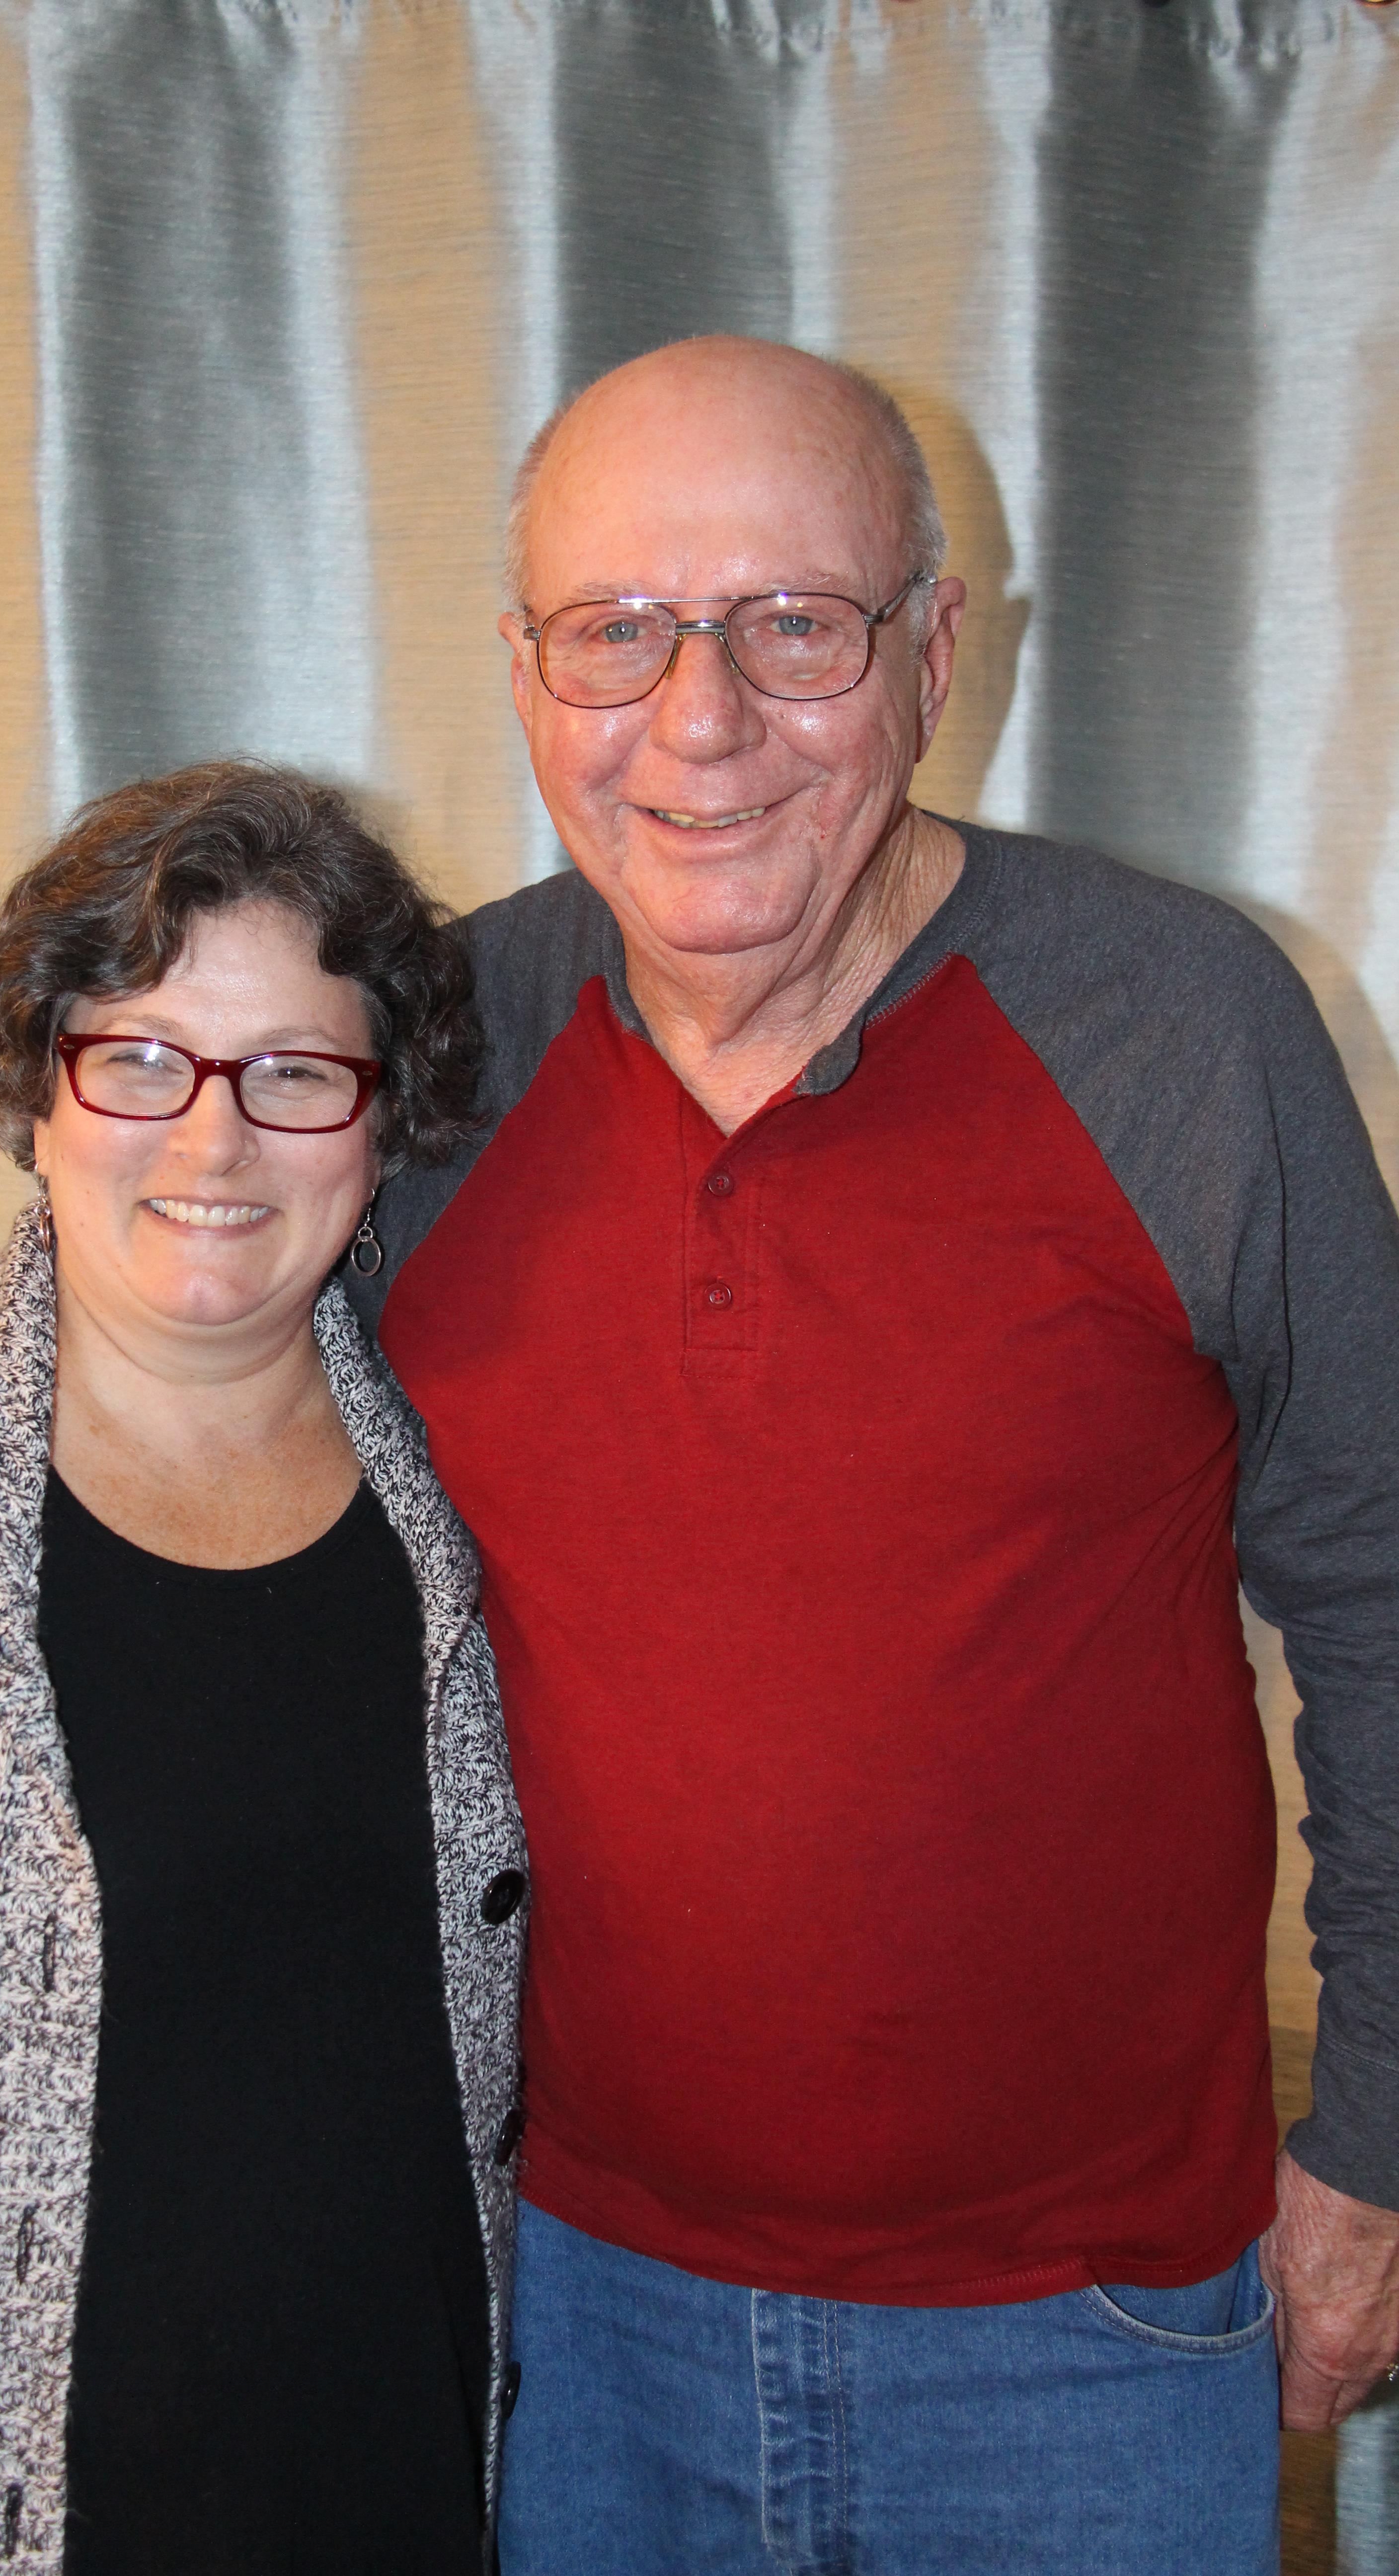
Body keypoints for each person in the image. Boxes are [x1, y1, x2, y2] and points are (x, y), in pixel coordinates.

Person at [345, 337, 1399, 2575]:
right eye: (616, 630)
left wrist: (1384, 2142)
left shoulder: (1184, 1025)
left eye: (792, 627)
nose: (699, 721)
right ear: (527, 676)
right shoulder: (429, 1057)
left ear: (932, 657)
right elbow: (162, 1418)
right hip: (564, 2312)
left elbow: (1391, 1591)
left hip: (1095, 2333)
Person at [0, 761, 527, 2576]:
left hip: (383, 2499)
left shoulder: (453, 1500)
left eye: (294, 1073)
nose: (211, 1145)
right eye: (139, 1057)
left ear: (382, 1123)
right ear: (37, 1091)